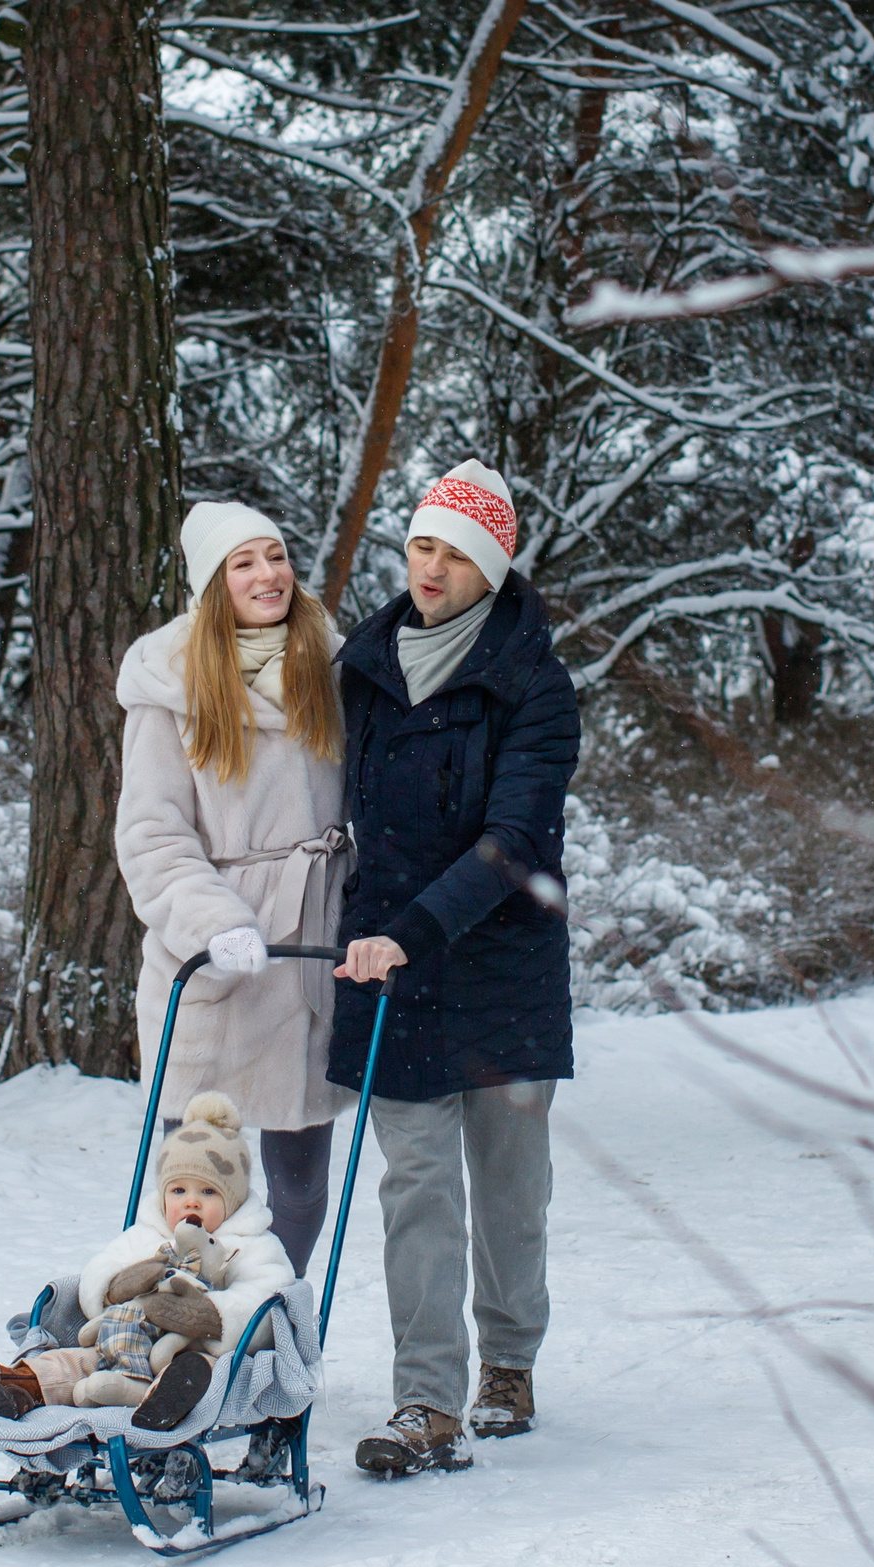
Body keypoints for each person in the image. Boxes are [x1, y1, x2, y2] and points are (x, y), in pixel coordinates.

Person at [326, 460, 580, 1476]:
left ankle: (508, 1361)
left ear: (492, 567)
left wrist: (416, 929)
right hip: (390, 968)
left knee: (510, 1189)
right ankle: (424, 1400)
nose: (430, 567)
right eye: (421, 545)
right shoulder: (363, 666)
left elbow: (516, 836)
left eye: (456, 552)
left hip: (500, 968)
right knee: (416, 1187)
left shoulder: (534, 684)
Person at [113, 500, 352, 1277]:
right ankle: (168, 1328)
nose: (267, 574)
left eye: (276, 555)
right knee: (195, 1187)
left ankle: (265, 1327)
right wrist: (216, 923)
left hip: (308, 952)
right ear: (213, 582)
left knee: (301, 1190)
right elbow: (152, 834)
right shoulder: (170, 680)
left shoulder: (333, 666)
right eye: (243, 562)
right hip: (212, 965)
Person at [0, 1093, 296, 1431]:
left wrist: (208, 1315)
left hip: (196, 1356)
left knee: (202, 1372)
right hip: (124, 1344)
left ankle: (160, 1403)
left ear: (232, 1198)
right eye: (178, 1191)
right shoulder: (147, 1234)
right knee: (74, 1363)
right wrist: (116, 1287)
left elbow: (268, 1298)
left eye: (208, 1192)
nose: (191, 1203)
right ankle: (14, 1386)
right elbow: (99, 1270)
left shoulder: (253, 1244)